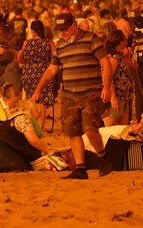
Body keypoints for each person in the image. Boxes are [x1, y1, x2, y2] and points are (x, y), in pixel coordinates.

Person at [33, 12, 113, 179]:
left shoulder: (91, 39)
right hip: (69, 95)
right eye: (59, 30)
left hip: (91, 93)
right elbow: (51, 71)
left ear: (75, 26)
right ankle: (81, 168)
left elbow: (105, 62)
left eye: (65, 29)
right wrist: (38, 89)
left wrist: (107, 87)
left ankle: (103, 157)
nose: (62, 33)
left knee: (90, 129)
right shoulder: (60, 45)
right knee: (73, 132)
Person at [0, 87, 54, 173]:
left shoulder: (17, 117)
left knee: (24, 164)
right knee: (19, 165)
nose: (39, 114)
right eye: (37, 111)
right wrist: (50, 151)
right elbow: (33, 141)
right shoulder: (23, 119)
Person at [17, 20, 56, 130]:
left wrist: (30, 63)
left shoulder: (27, 43)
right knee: (41, 101)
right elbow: (56, 56)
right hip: (44, 72)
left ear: (32, 31)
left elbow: (19, 59)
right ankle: (40, 127)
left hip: (29, 74)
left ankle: (33, 126)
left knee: (32, 100)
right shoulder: (49, 42)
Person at [104, 30, 133, 126]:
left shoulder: (119, 55)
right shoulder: (113, 58)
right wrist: (113, 98)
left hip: (124, 96)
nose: (126, 43)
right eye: (124, 40)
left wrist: (127, 55)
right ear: (120, 41)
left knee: (123, 127)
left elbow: (133, 66)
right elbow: (108, 77)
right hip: (118, 96)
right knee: (111, 124)